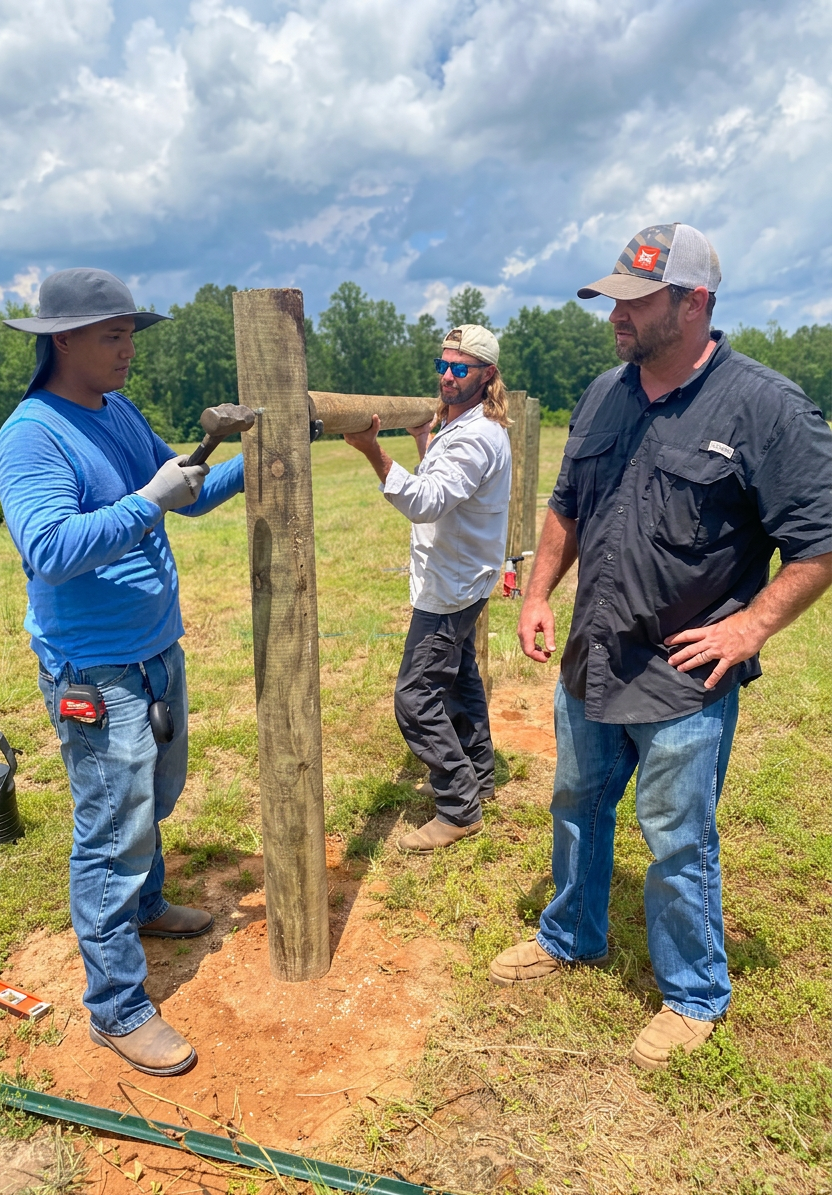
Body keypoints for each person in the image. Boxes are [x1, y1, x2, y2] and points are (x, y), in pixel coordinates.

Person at [488, 224, 832, 1069]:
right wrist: (538, 593)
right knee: (576, 804)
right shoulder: (606, 392)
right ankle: (571, 932)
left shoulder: (765, 408)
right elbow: (569, 500)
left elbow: (821, 537)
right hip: (593, 659)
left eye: (637, 301)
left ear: (695, 302)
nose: (618, 314)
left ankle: (693, 992)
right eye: (613, 298)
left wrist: (751, 624)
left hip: (683, 678)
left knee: (678, 834)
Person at [0, 268, 246, 1077]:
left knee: (152, 797)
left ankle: (144, 904)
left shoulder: (118, 413)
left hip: (153, 651)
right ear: (61, 341)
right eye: (112, 334)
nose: (127, 347)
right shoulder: (32, 434)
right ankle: (118, 1007)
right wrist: (147, 500)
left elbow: (187, 495)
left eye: (131, 331)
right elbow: (50, 549)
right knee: (109, 830)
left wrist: (254, 459)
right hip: (93, 671)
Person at [343, 324, 511, 852]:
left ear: (486, 376)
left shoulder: (478, 436)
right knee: (460, 681)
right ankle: (479, 776)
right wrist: (422, 440)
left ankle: (459, 806)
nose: (447, 375)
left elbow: (425, 502)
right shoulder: (462, 428)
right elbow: (438, 480)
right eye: (443, 364)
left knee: (415, 697)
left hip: (451, 586)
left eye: (460, 368)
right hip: (461, 579)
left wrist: (372, 451)